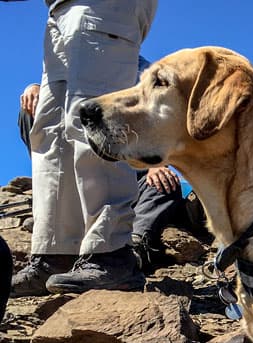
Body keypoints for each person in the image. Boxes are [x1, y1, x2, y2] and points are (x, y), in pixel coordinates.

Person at [7, 0, 159, 296]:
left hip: (100, 5)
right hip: (59, 10)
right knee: (52, 134)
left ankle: (111, 255)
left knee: (93, 121)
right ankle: (56, 255)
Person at [17, 79, 185, 277]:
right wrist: (35, 88)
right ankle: (57, 244)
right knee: (34, 106)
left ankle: (132, 250)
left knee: (163, 184)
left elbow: (155, 122)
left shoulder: (139, 73)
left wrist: (154, 163)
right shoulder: (71, 69)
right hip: (74, 171)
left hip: (126, 167)